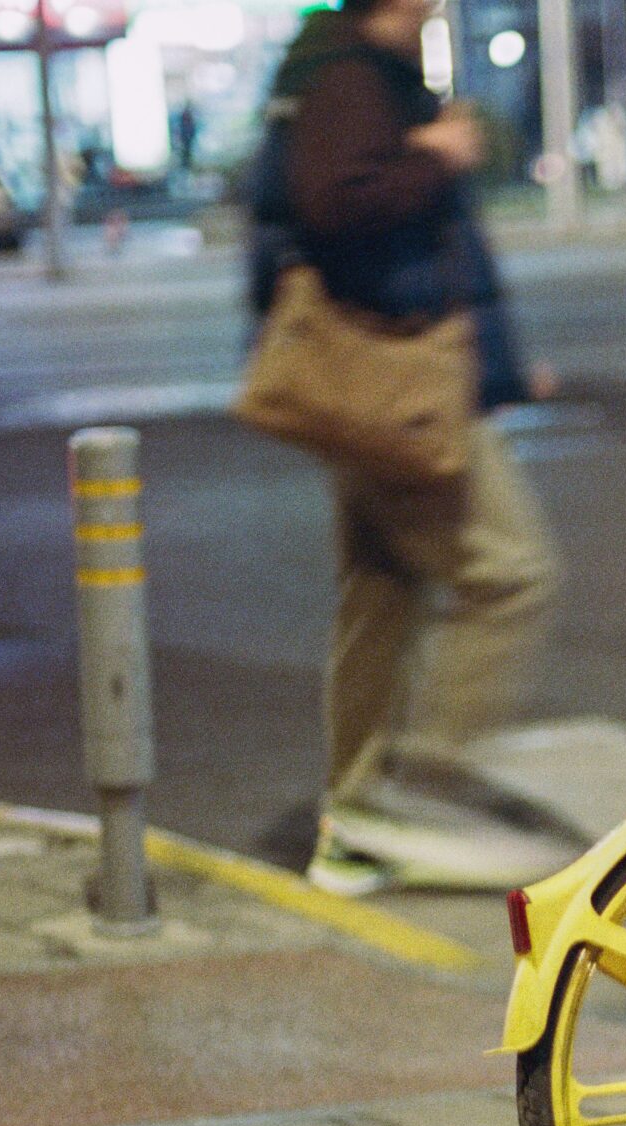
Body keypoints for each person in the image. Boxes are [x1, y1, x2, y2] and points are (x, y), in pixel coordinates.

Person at [245, 0, 566, 895]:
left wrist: (501, 371)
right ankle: (421, 792)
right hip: (394, 380)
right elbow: (335, 201)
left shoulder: (344, 68)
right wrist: (436, 155)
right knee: (511, 572)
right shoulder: (350, 78)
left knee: (381, 594)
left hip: (394, 374)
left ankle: (355, 821)